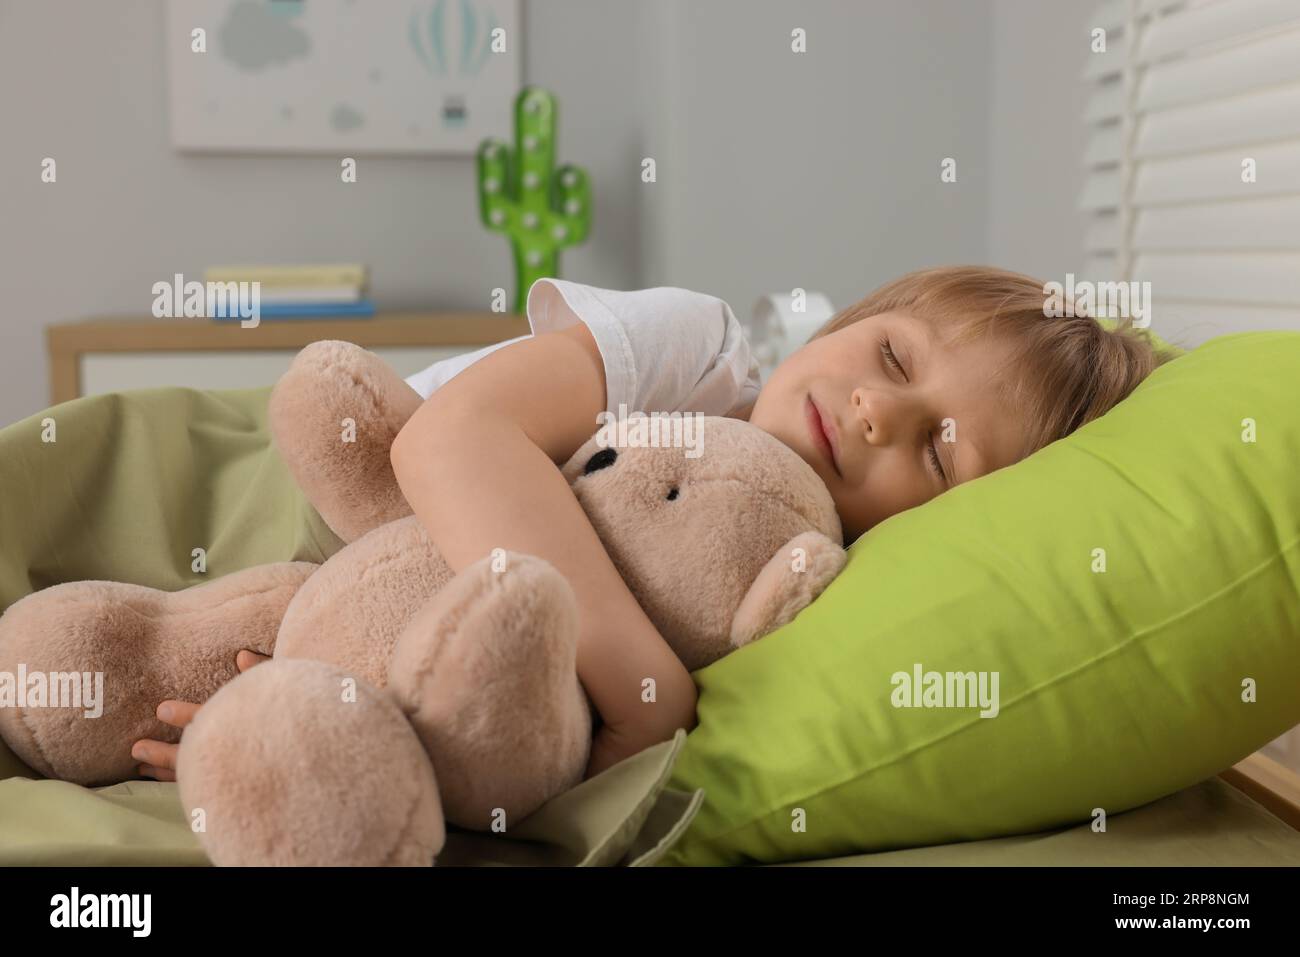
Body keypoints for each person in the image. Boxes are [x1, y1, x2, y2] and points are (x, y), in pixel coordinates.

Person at [133, 265, 1168, 782]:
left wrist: (306, 738)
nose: (875, 410)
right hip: (272, 487)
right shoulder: (698, 348)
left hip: (327, 621)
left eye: (938, 452)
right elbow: (448, 447)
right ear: (853, 322)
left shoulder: (795, 587)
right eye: (892, 357)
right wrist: (646, 691)